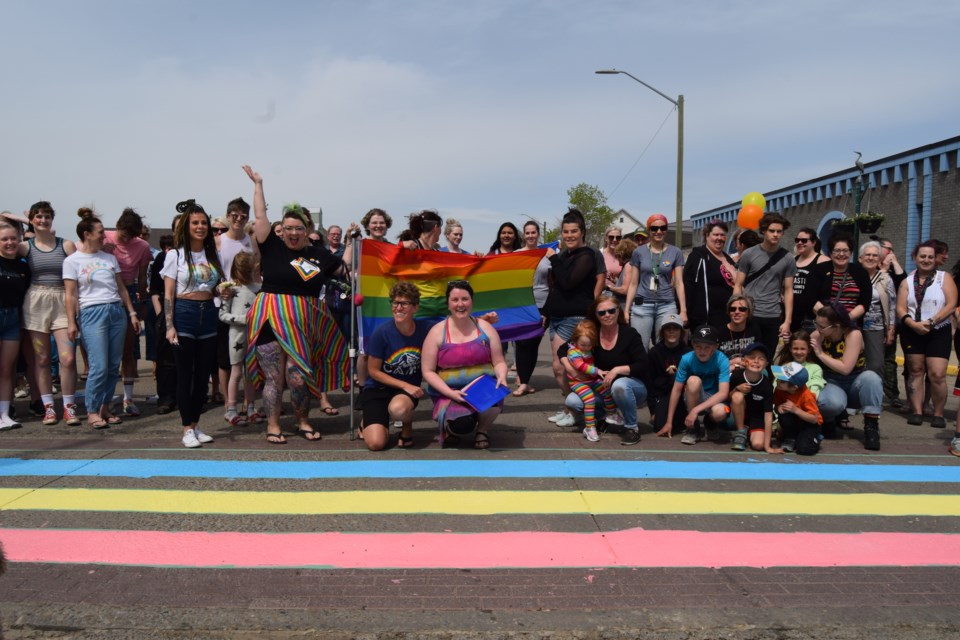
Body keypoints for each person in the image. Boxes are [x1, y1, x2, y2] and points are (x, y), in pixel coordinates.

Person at [242, 165, 357, 444]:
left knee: (297, 375)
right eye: (289, 228)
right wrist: (258, 184)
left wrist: (354, 241)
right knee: (273, 378)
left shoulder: (319, 256)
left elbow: (347, 270)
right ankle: (273, 425)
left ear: (308, 231)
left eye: (299, 229)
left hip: (303, 321)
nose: (293, 233)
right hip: (269, 316)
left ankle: (302, 421)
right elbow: (260, 215)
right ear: (282, 230)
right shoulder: (271, 245)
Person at [63, 208, 141, 429]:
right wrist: (71, 322)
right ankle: (91, 410)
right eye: (99, 231)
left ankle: (105, 408)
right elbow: (70, 295)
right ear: (87, 234)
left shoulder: (109, 258)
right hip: (91, 313)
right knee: (98, 365)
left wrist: (132, 313)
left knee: (111, 365)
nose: (103, 234)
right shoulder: (72, 261)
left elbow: (122, 288)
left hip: (116, 311)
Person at [161, 200, 226, 448]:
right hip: (184, 313)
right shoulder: (175, 255)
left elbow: (215, 287)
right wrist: (169, 325)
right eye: (195, 223)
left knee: (202, 377)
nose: (200, 227)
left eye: (204, 223)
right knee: (185, 374)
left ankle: (196, 425)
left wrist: (222, 291)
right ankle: (186, 427)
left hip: (208, 312)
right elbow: (168, 294)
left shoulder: (212, 254)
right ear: (186, 226)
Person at [421, 280, 508, 449]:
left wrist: (502, 375)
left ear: (472, 301)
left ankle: (482, 430)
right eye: (455, 300)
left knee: (495, 395)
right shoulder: (437, 332)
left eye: (465, 299)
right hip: (450, 392)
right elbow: (428, 371)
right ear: (448, 304)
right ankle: (452, 428)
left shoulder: (486, 328)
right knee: (462, 425)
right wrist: (450, 393)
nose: (460, 304)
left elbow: (498, 361)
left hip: (482, 388)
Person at [17, 201, 78, 426]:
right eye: (38, 217)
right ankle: (49, 408)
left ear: (53, 219)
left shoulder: (66, 245)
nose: (43, 220)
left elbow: (75, 280)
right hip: (35, 302)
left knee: (68, 358)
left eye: (47, 217)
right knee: (41, 359)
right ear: (32, 220)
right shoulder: (25, 246)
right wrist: (25, 221)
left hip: (62, 300)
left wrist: (75, 312)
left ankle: (69, 407)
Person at [559, 295, 649, 445]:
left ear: (618, 311)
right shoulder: (591, 333)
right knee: (572, 401)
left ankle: (632, 428)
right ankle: (604, 418)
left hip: (631, 387)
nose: (607, 315)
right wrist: (570, 368)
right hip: (602, 387)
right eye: (602, 312)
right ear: (596, 315)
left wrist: (617, 370)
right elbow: (563, 349)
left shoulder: (629, 334)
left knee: (619, 386)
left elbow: (643, 364)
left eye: (611, 311)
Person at [360, 282, 432, 451]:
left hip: (403, 394)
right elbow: (373, 371)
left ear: (415, 307)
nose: (398, 308)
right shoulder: (381, 332)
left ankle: (406, 427)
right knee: (376, 444)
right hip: (378, 389)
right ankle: (369, 421)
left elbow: (453, 326)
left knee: (398, 409)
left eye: (404, 303)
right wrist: (406, 385)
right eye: (395, 303)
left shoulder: (426, 328)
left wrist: (480, 320)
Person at [543, 209, 597, 428]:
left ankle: (576, 409)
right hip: (556, 318)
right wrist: (545, 312)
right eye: (565, 232)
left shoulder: (587, 256)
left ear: (582, 232)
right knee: (562, 368)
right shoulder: (564, 256)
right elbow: (556, 289)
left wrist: (554, 258)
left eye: (574, 231)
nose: (569, 236)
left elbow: (568, 282)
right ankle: (570, 407)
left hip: (573, 319)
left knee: (562, 366)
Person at [896, 240, 957, 429]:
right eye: (922, 256)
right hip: (912, 330)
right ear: (915, 257)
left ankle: (938, 413)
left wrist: (931, 322)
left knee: (937, 374)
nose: (926, 260)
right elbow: (900, 307)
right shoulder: (907, 280)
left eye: (930, 257)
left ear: (935, 259)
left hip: (938, 330)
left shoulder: (943, 277)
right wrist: (912, 324)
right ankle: (917, 411)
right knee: (915, 371)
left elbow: (951, 304)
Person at [810, 304, 883, 450]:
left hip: (855, 381)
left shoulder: (853, 334)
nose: (818, 328)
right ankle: (829, 420)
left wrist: (821, 354)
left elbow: (845, 368)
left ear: (836, 326)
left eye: (822, 326)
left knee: (872, 379)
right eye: (816, 323)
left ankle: (871, 425)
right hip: (831, 381)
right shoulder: (818, 335)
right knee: (830, 402)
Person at [103, 207, 153, 417]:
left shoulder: (142, 246)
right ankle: (106, 398)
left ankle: (128, 397)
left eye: (130, 236)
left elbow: (142, 277)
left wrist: (141, 300)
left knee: (128, 349)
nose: (125, 239)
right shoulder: (104, 237)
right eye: (123, 233)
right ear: (118, 225)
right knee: (104, 350)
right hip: (104, 291)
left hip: (130, 292)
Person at [624, 214, 687, 350]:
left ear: (666, 229)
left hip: (666, 304)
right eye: (654, 228)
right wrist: (626, 309)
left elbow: (679, 283)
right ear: (649, 230)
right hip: (643, 305)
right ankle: (643, 372)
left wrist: (683, 310)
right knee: (640, 346)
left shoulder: (675, 252)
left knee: (665, 346)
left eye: (662, 228)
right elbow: (634, 283)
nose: (658, 231)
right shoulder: (638, 252)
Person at [733, 213, 795, 351]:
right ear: (763, 231)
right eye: (772, 231)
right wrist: (737, 309)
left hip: (773, 315)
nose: (775, 234)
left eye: (779, 231)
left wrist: (787, 321)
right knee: (747, 356)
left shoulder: (788, 257)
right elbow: (738, 284)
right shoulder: (749, 254)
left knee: (767, 358)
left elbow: (789, 290)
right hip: (750, 314)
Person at [663, 324, 730, 445]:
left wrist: (695, 411)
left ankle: (710, 424)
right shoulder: (686, 359)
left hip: (713, 398)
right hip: (693, 396)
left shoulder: (722, 359)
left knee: (721, 412)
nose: (702, 351)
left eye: (707, 347)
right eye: (698, 346)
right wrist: (669, 422)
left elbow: (723, 393)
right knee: (693, 380)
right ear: (693, 345)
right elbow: (677, 389)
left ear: (715, 347)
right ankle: (693, 429)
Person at [218, 251, 263, 426]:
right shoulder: (231, 290)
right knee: (236, 372)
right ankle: (231, 409)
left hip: (254, 336)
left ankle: (250, 407)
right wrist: (242, 319)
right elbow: (222, 314)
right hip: (237, 336)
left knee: (251, 373)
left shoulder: (259, 288)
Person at [513, 221, 553, 397]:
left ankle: (525, 381)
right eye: (527, 233)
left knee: (533, 344)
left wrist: (546, 311)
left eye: (533, 232)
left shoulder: (548, 255)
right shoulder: (515, 255)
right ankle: (523, 382)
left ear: (538, 234)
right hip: (521, 304)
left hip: (542, 304)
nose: (530, 236)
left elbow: (553, 284)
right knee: (522, 344)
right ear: (524, 235)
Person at [565, 320, 620, 442]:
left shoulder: (589, 349)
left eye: (589, 345)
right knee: (589, 399)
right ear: (575, 340)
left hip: (591, 380)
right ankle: (589, 427)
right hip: (578, 382)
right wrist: (598, 371)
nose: (585, 347)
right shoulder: (573, 351)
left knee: (606, 389)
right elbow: (581, 366)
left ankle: (612, 413)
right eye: (583, 344)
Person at [0, 220, 30, 430]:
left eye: (13, 238)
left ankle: (4, 414)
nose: (10, 242)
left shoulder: (22, 266)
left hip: (13, 318)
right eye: (4, 239)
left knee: (7, 369)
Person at [684, 219, 735, 331]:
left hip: (727, 318)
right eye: (716, 234)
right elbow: (687, 285)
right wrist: (684, 312)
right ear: (707, 235)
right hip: (705, 319)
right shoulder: (698, 256)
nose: (719, 238)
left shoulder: (729, 259)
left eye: (722, 235)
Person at [728, 342, 779, 453]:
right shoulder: (736, 376)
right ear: (743, 360)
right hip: (738, 414)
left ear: (766, 364)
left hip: (757, 418)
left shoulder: (767, 385)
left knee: (758, 445)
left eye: (761, 359)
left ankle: (749, 433)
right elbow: (728, 398)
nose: (756, 361)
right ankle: (741, 432)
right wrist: (736, 389)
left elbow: (768, 415)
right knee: (737, 395)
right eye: (751, 357)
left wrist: (767, 446)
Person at [647, 314, 691, 437]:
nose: (672, 332)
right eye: (668, 328)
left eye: (675, 328)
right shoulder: (654, 353)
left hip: (682, 394)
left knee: (680, 425)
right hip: (663, 393)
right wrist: (653, 410)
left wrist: (678, 376)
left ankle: (687, 416)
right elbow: (649, 383)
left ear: (681, 332)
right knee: (659, 426)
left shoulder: (688, 352)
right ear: (662, 332)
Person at [813, 232, 871, 324]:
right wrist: (828, 318)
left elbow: (865, 302)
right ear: (831, 253)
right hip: (824, 324)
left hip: (850, 323)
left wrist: (846, 319)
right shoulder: (819, 270)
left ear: (851, 253)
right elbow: (811, 299)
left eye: (845, 250)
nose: (841, 254)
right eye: (837, 250)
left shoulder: (861, 272)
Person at [876, 236, 907, 408]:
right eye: (889, 249)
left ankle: (892, 393)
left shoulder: (895, 272)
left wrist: (893, 263)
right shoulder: (871, 265)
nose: (892, 253)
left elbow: (903, 282)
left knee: (889, 359)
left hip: (889, 322)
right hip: (871, 321)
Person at [858, 240, 896, 378]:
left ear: (880, 259)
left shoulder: (885, 279)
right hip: (853, 326)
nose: (871, 258)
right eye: (867, 254)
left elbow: (892, 305)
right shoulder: (852, 276)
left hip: (876, 327)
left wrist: (891, 329)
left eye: (875, 255)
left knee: (876, 364)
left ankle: (874, 395)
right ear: (860, 258)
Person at [149, 232, 177, 414]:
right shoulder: (164, 256)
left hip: (189, 309)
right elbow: (155, 289)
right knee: (165, 358)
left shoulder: (196, 255)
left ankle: (188, 396)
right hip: (166, 311)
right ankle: (166, 398)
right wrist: (162, 316)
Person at [772, 361, 823, 455]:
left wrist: (795, 410)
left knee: (805, 449)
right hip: (794, 420)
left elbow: (814, 419)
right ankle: (790, 438)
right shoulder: (779, 390)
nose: (777, 381)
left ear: (794, 387)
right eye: (779, 378)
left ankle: (816, 438)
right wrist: (778, 408)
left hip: (809, 424)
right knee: (784, 416)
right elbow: (776, 408)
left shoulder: (806, 395)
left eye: (782, 381)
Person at [791, 227, 830, 332]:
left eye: (804, 240)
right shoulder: (792, 261)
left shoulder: (823, 261)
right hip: (793, 316)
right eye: (797, 240)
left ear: (813, 243)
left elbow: (827, 290)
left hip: (812, 317)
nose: (799, 243)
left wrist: (822, 312)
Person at [717, 294, 763, 372]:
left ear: (748, 313)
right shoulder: (720, 332)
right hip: (726, 371)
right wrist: (733, 362)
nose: (737, 312)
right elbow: (714, 362)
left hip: (749, 369)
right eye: (732, 309)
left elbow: (760, 356)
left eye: (742, 309)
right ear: (729, 312)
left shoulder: (754, 330)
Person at [774, 330, 825, 399]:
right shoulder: (785, 366)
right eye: (795, 348)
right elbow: (775, 387)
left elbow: (814, 392)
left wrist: (796, 408)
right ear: (790, 349)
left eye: (803, 349)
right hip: (781, 404)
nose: (799, 352)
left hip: (803, 405)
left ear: (809, 350)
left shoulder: (815, 368)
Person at [606, 238, 638, 305]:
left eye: (617, 256)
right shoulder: (630, 265)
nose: (617, 258)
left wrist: (607, 287)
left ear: (622, 255)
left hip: (624, 305)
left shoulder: (628, 265)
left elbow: (625, 290)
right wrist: (615, 281)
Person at [600, 225, 624, 291]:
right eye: (611, 237)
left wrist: (615, 280)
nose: (614, 240)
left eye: (618, 237)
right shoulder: (600, 254)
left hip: (619, 294)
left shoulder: (623, 256)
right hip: (603, 294)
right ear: (606, 238)